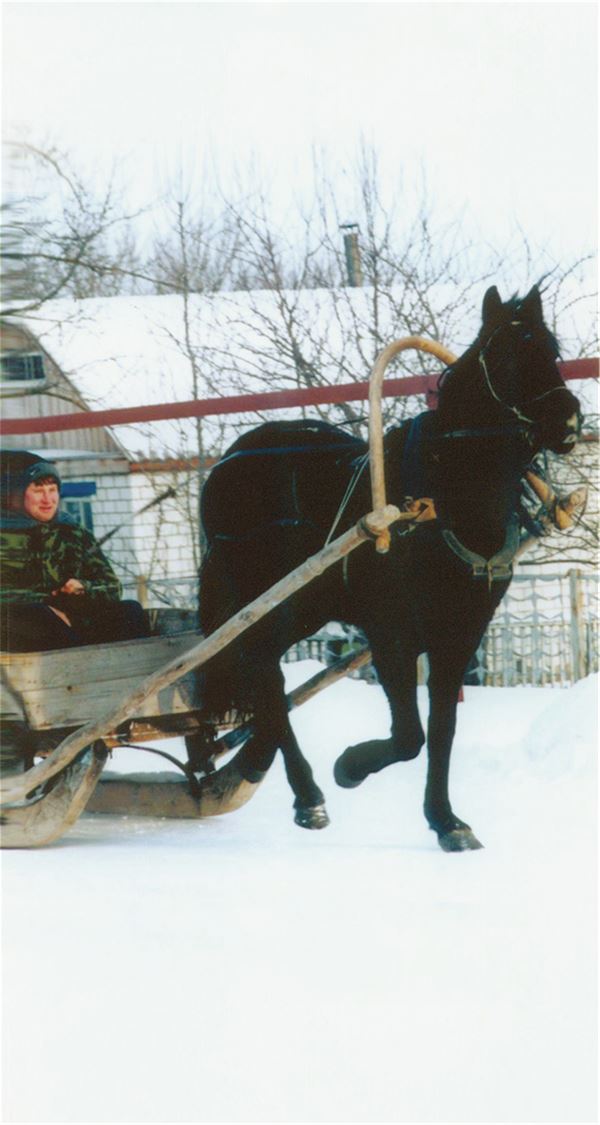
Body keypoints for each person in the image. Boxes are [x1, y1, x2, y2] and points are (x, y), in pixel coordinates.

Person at [0, 450, 149, 652]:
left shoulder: (73, 533)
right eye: (38, 491)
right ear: (15, 494)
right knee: (40, 617)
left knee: (130, 610)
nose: (48, 499)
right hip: (20, 630)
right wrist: (47, 606)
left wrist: (83, 588)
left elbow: (112, 587)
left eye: (52, 490)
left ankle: (133, 667)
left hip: (74, 622)